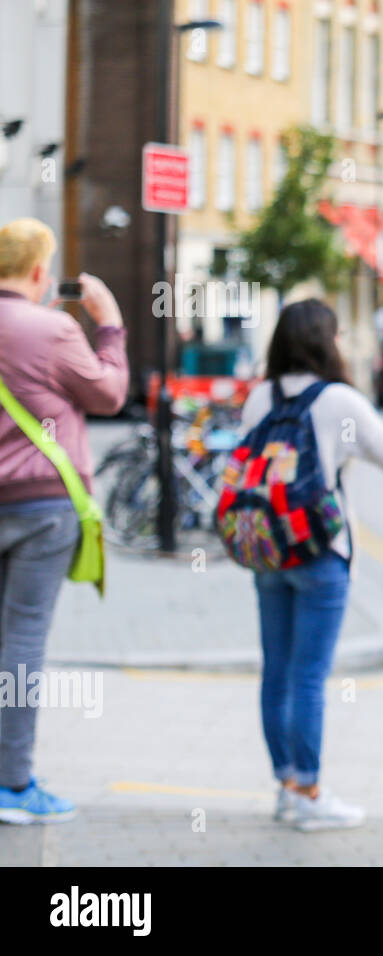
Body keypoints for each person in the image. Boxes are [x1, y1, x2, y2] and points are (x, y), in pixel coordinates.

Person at [238, 299, 383, 831]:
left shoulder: (259, 396)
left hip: (268, 548)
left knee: (276, 670)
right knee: (309, 675)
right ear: (327, 342)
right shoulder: (338, 401)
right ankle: (309, 792)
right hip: (320, 553)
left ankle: (286, 785)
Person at [0, 218, 129, 823]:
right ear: (37, 272)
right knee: (21, 644)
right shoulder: (53, 329)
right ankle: (13, 783)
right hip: (43, 507)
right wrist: (108, 326)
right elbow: (108, 396)